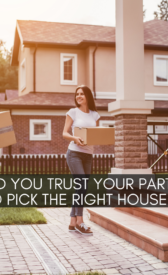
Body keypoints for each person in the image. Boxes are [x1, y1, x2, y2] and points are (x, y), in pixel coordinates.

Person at [62, 85, 100, 235]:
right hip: (74, 153)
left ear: (88, 96)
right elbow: (64, 133)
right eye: (77, 94)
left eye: (82, 94)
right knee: (81, 186)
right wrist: (75, 138)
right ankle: (80, 221)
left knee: (81, 188)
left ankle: (72, 222)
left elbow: (95, 135)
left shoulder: (95, 115)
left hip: (88, 154)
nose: (78, 96)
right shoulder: (73, 112)